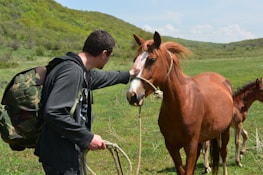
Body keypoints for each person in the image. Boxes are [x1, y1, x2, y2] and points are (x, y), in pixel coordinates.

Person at [34, 30, 141, 175]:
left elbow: (103, 77)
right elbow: (53, 112)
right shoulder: (72, 72)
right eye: (110, 55)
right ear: (104, 53)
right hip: (61, 156)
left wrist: (129, 74)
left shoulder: (81, 71)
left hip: (65, 152)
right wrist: (87, 138)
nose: (108, 59)